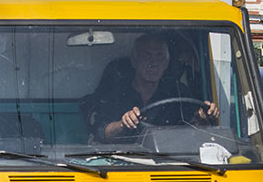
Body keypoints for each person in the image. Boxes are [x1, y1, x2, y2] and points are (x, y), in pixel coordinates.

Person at [85, 33, 218, 143]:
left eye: (159, 57)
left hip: (171, 162)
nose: (153, 63)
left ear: (166, 63)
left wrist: (205, 117)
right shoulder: (114, 92)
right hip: (120, 164)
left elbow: (194, 129)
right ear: (134, 60)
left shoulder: (179, 92)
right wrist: (122, 124)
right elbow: (101, 132)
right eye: (146, 56)